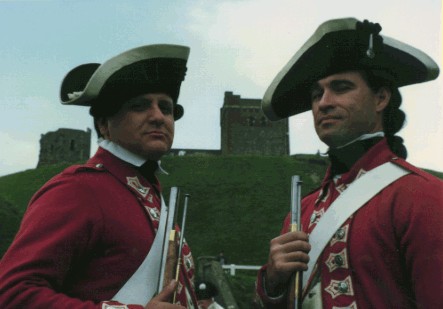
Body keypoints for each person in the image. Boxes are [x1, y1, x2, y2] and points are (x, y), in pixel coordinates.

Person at [255, 17, 443, 308]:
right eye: (317, 94)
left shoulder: (423, 196)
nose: (323, 102)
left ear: (380, 98)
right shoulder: (303, 210)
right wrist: (275, 283)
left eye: (340, 88)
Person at [0, 44, 198, 308]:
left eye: (166, 108)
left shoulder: (151, 196)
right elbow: (12, 294)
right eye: (140, 106)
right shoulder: (78, 189)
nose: (158, 117)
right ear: (104, 124)